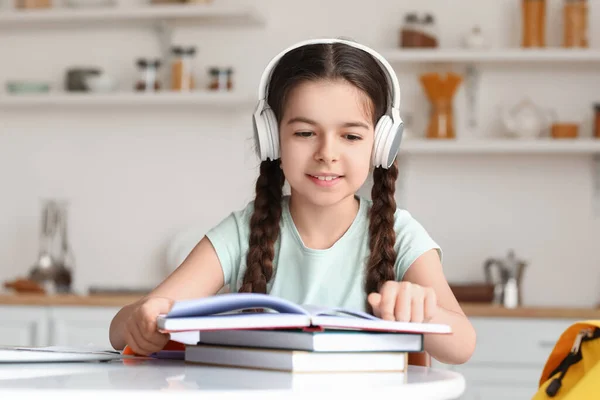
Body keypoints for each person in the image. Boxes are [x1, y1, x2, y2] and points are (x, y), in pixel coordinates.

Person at [109, 38, 476, 365]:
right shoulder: (243, 231)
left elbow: (463, 345)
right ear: (272, 139)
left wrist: (423, 314)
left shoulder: (403, 235)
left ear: (381, 144)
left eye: (350, 136)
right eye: (304, 133)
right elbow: (121, 328)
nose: (326, 154)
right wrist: (143, 319)